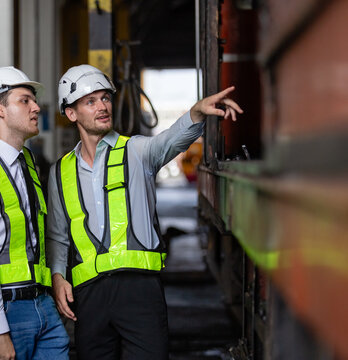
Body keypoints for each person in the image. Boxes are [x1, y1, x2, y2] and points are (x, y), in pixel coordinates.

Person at [47, 64, 243, 360]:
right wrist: (59, 277)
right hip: (89, 295)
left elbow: (170, 140)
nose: (102, 106)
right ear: (71, 113)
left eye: (105, 98)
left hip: (139, 291)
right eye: (91, 101)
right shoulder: (60, 171)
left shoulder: (137, 152)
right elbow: (58, 235)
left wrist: (197, 113)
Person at [0, 66, 69, 360]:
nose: (35, 107)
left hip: (42, 304)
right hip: (5, 310)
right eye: (24, 100)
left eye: (34, 100)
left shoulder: (27, 162)